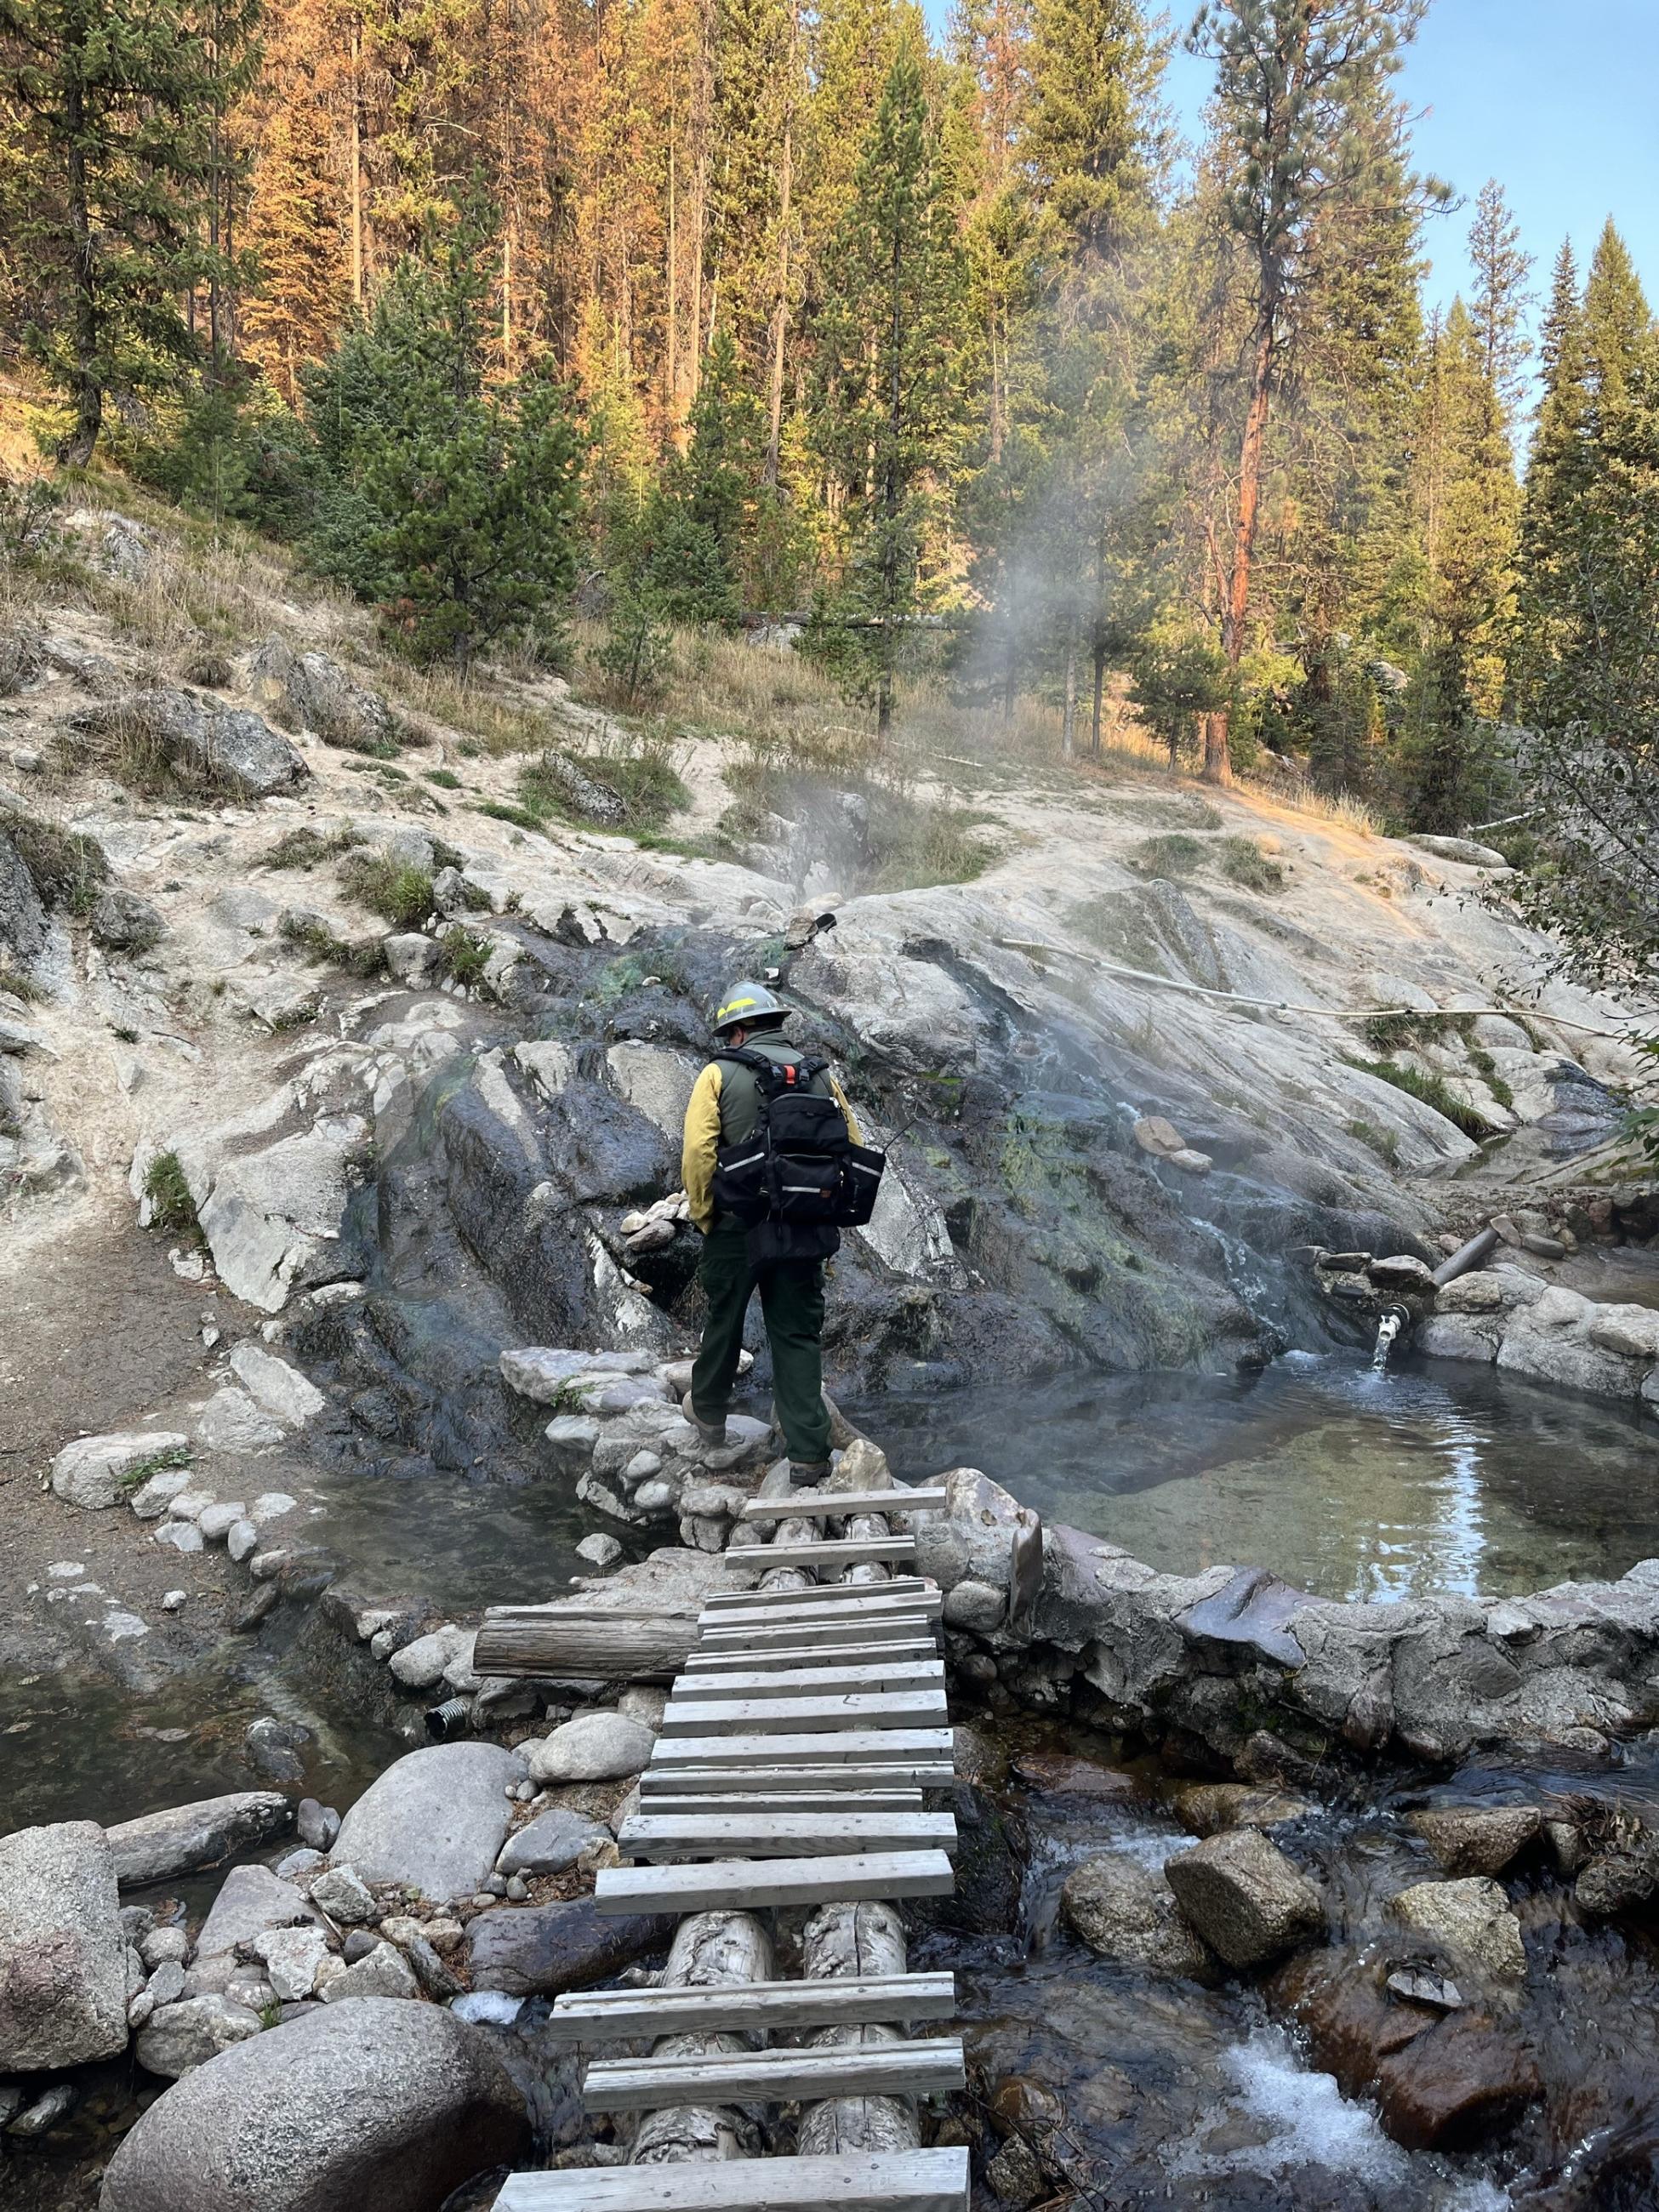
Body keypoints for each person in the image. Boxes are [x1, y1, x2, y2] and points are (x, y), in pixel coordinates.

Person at [680, 980, 863, 1480]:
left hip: (738, 1223)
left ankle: (710, 1416)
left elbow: (699, 1154)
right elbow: (851, 1141)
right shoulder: (822, 1076)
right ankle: (807, 1455)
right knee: (797, 1333)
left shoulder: (717, 1073)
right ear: (777, 1024)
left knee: (724, 1319)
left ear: (737, 1031)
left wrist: (705, 1214)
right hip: (802, 1226)